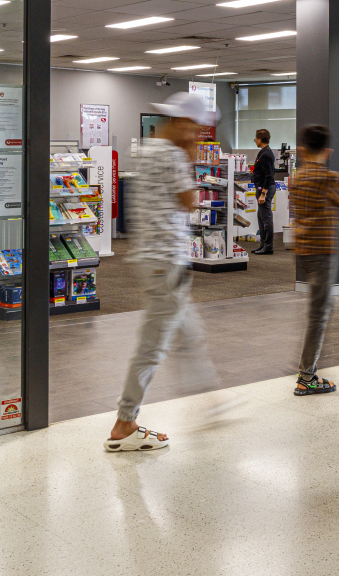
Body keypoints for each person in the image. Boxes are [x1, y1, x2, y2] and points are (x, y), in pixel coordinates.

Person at [105, 92, 218, 452]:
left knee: (190, 334)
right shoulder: (172, 155)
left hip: (156, 260)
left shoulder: (151, 148)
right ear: (184, 123)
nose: (197, 135)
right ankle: (125, 421)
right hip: (164, 262)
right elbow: (189, 202)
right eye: (196, 128)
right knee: (153, 346)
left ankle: (211, 402)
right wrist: (191, 155)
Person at [287, 125, 339, 395]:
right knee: (319, 314)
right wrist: (338, 179)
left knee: (318, 309)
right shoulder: (327, 179)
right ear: (327, 151)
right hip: (324, 249)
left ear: (302, 150)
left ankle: (307, 371)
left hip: (304, 248)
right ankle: (307, 377)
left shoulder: (297, 177)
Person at [252, 129, 276, 255]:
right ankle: (263, 244)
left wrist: (263, 193)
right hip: (262, 187)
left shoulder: (266, 154)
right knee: (261, 217)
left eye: (255, 139)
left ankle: (268, 246)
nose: (255, 141)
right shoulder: (264, 152)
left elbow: (269, 175)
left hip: (265, 189)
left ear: (260, 139)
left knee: (266, 218)